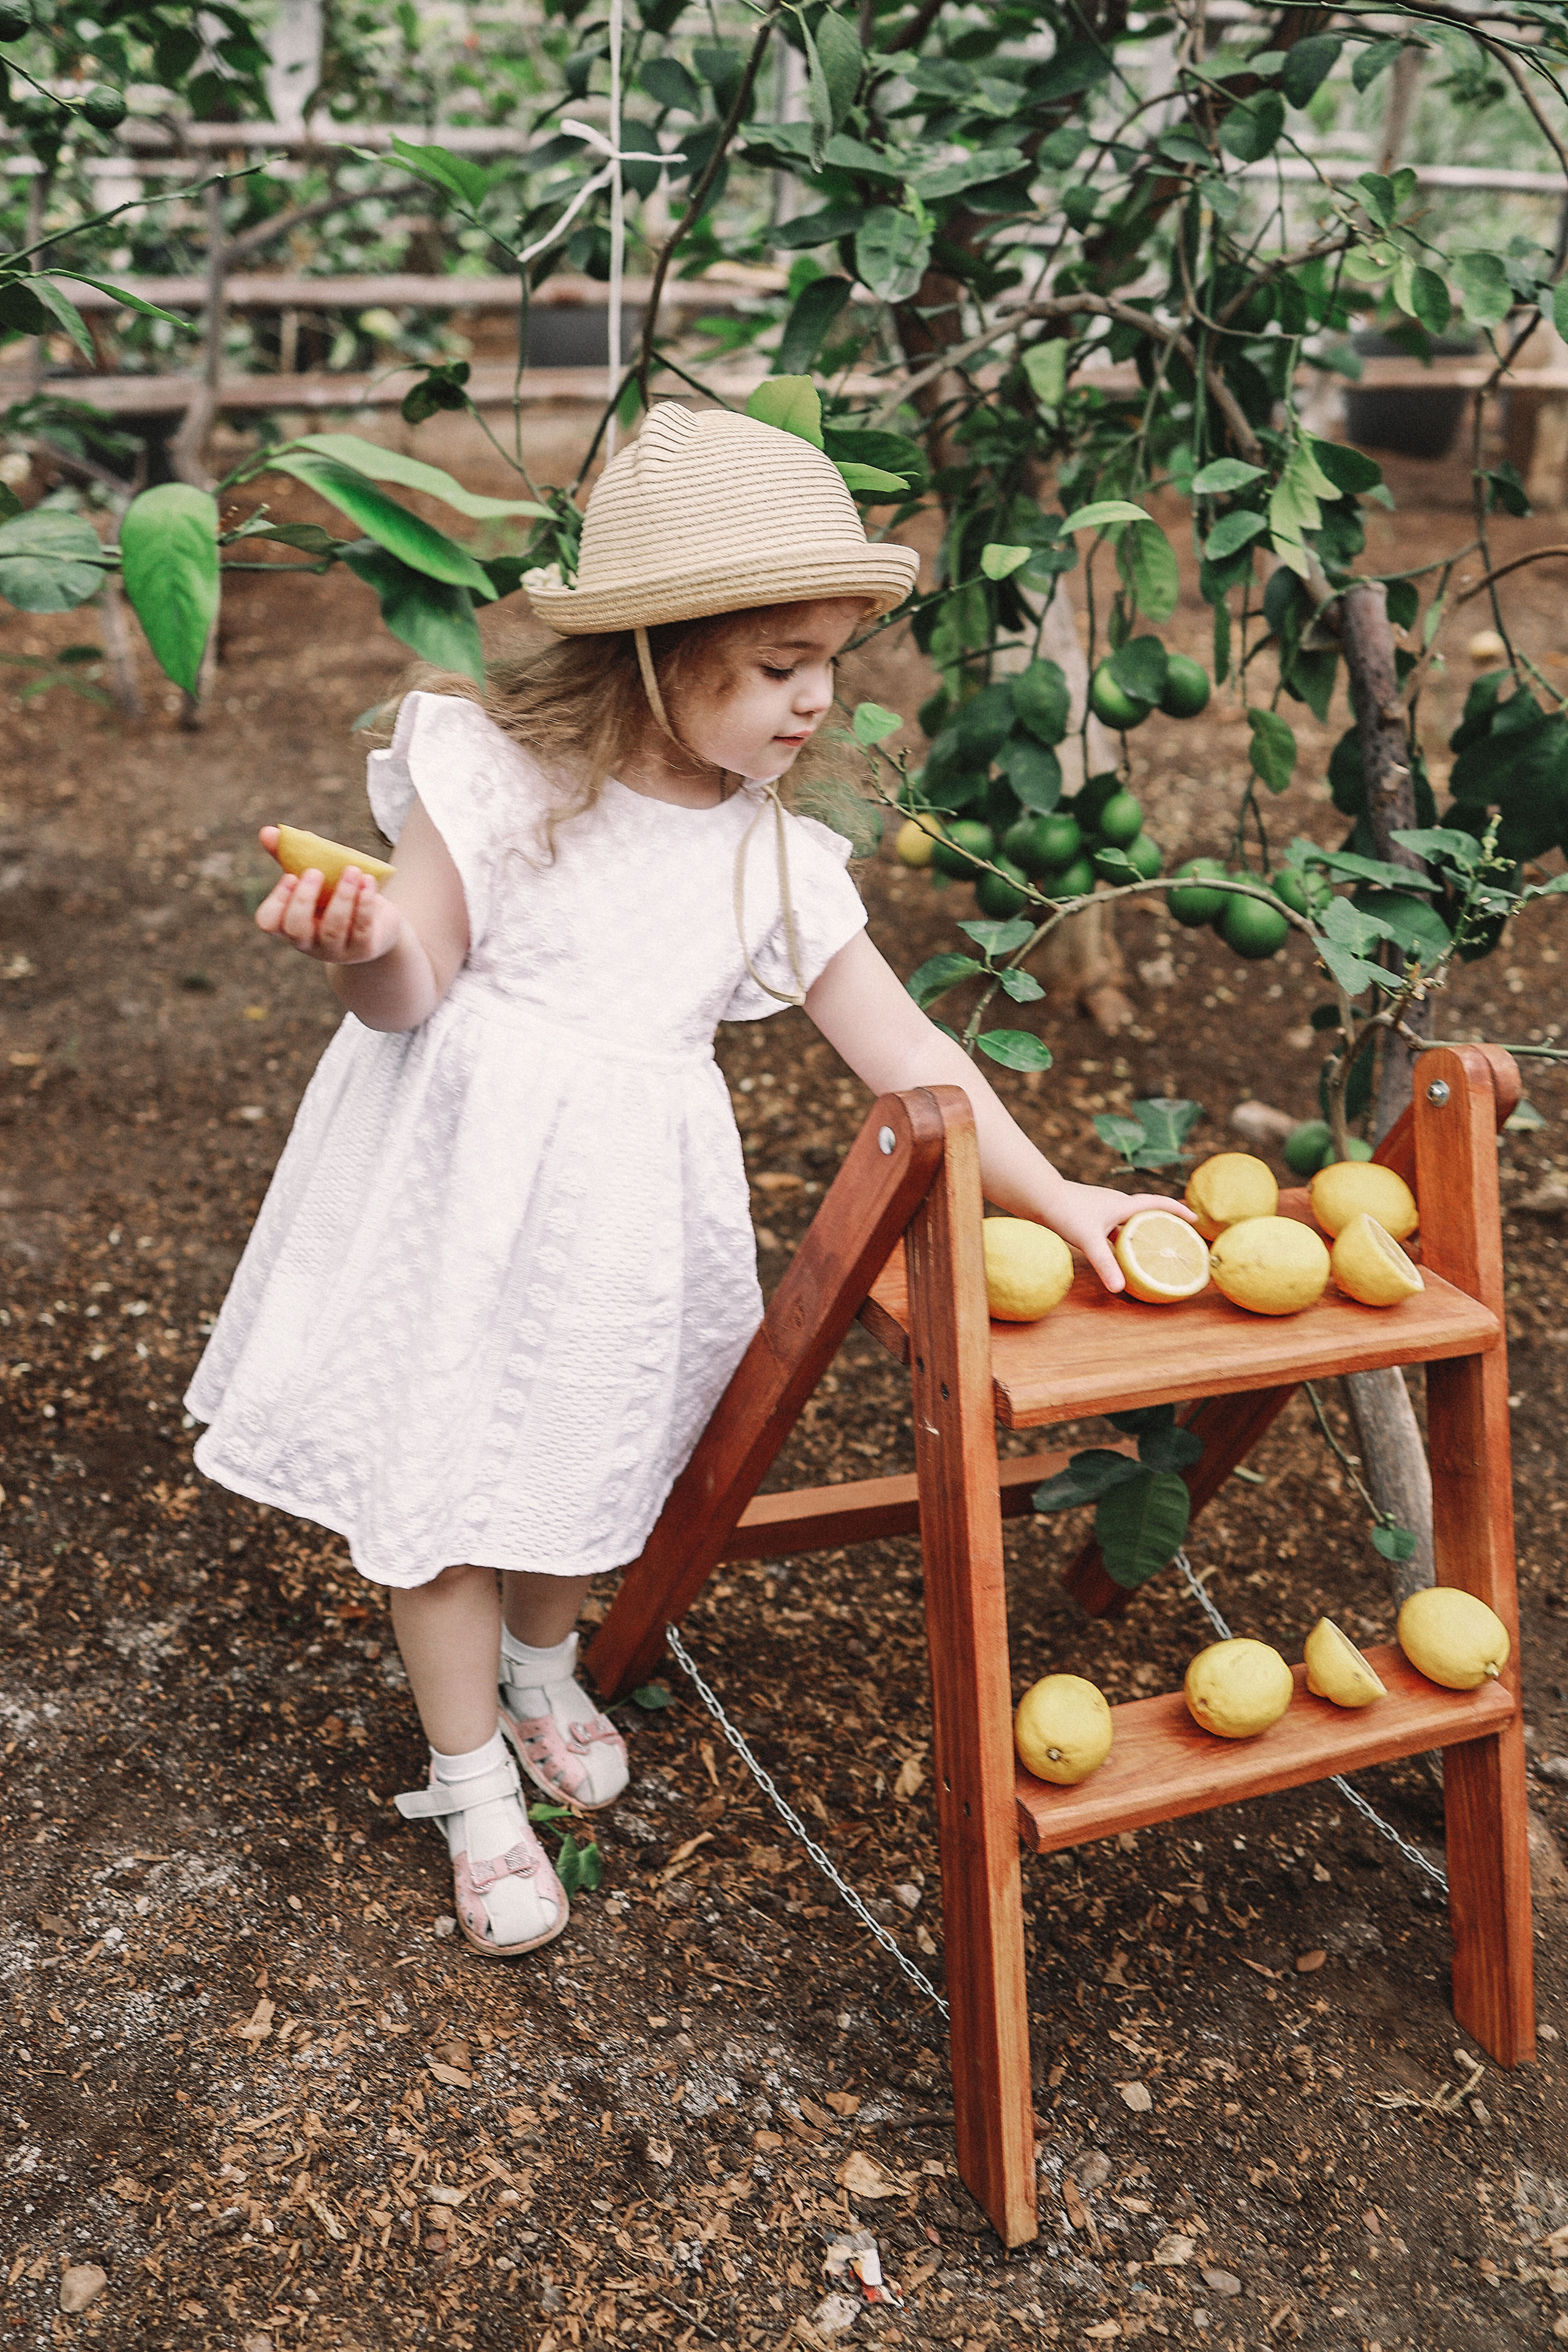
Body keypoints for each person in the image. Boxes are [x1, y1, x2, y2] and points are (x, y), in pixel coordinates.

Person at [185, 401, 1186, 1961]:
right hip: (454, 1188)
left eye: (829, 663)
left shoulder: (773, 863)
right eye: (780, 664)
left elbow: (911, 1054)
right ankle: (467, 1787)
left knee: (585, 1471)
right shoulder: (500, 780)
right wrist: (367, 945)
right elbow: (417, 981)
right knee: (441, 1488)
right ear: (660, 650)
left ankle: (540, 1670)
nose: (817, 700)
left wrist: (1064, 1202)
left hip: (618, 1218)